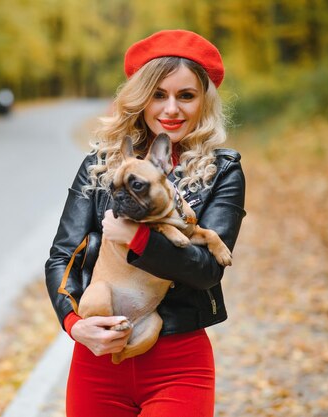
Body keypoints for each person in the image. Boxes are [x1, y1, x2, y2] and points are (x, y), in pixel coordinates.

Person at [45, 29, 246, 417]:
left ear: (203, 102)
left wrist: (138, 239)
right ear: (140, 98)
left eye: (185, 95)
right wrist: (74, 323)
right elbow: (62, 257)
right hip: (98, 359)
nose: (171, 109)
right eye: (158, 94)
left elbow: (207, 270)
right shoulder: (100, 165)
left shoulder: (223, 171)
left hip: (179, 362)